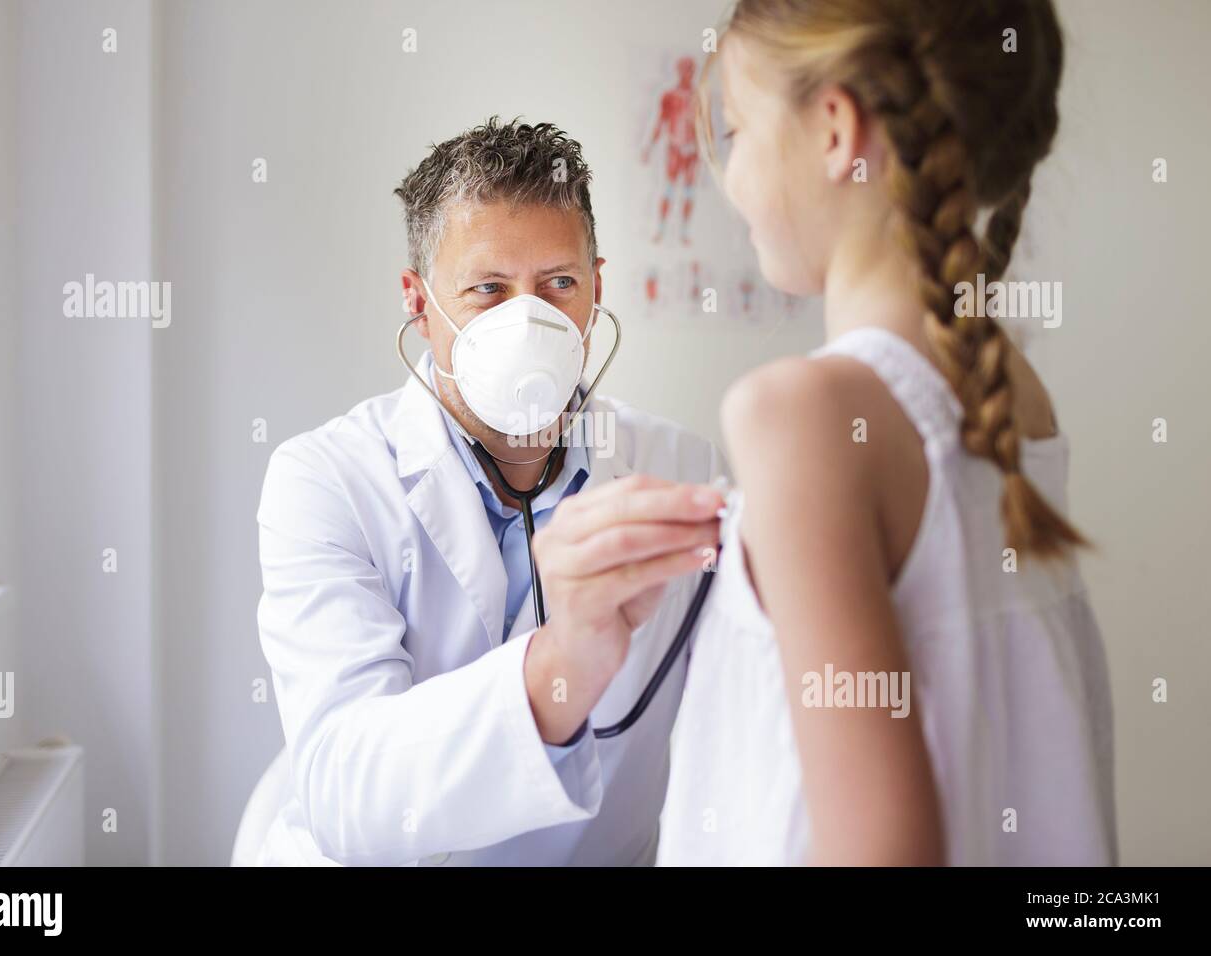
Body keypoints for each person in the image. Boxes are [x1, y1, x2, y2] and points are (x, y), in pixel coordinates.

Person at [657, 0, 1116, 865]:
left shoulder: (799, 416)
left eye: (741, 129)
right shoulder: (1016, 397)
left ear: (834, 130)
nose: (734, 174)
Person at [239, 117, 726, 866]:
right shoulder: (326, 481)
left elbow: (724, 736)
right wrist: (559, 665)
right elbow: (348, 790)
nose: (526, 322)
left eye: (558, 284)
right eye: (487, 289)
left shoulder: (681, 468)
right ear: (418, 300)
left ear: (598, 288)